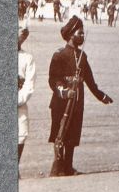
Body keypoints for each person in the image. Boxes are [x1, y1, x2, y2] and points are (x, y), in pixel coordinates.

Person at [47, 15, 113, 176]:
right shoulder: (59, 55)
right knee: (60, 134)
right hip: (61, 102)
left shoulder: (83, 57)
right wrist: (64, 91)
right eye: (79, 33)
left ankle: (68, 167)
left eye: (83, 33)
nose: (82, 36)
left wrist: (102, 96)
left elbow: (90, 81)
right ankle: (58, 167)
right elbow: (53, 79)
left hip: (77, 103)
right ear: (71, 35)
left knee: (73, 135)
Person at [18, 20, 36, 171]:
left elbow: (29, 85)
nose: (21, 32)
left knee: (21, 135)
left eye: (23, 31)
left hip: (19, 104)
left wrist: (18, 100)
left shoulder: (27, 58)